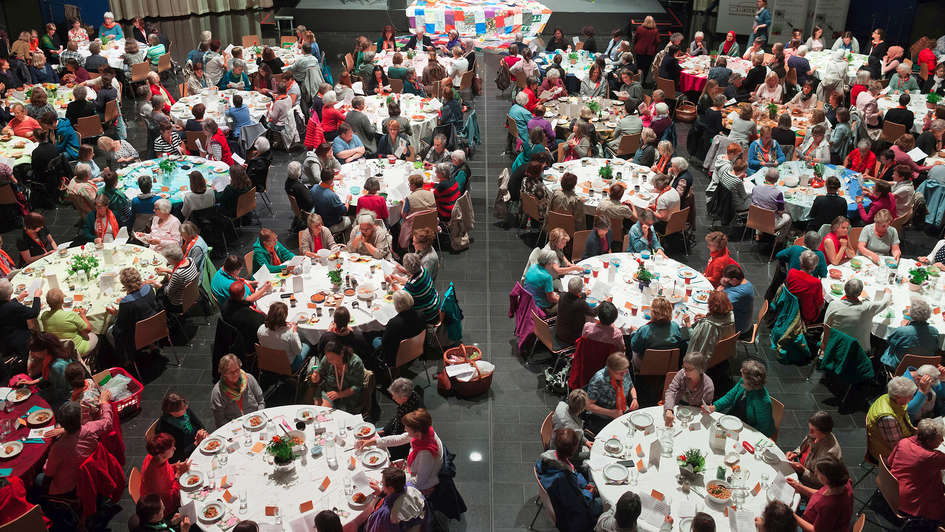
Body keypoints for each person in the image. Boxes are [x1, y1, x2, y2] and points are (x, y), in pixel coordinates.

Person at [357, 409, 443, 496]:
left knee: (383, 485)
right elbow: (399, 439)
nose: (405, 429)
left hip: (422, 485)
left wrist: (396, 481)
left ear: (417, 432)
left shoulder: (426, 454)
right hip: (413, 469)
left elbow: (420, 481)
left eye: (407, 428)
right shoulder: (424, 432)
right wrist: (373, 442)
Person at [43, 397, 113, 498]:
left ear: (61, 424)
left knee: (39, 479)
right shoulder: (91, 428)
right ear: (80, 418)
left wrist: (46, 461)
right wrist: (104, 403)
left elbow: (48, 471)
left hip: (71, 484)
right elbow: (107, 422)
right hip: (95, 471)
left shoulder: (58, 448)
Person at [886, 418, 945, 524]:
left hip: (891, 489)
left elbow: (889, 462)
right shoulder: (932, 457)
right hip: (908, 502)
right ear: (929, 441)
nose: (942, 441)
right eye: (940, 439)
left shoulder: (903, 442)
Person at [705, 359, 775, 436]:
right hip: (734, 420)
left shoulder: (762, 401)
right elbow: (729, 397)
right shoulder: (743, 382)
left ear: (750, 382)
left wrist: (744, 435)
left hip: (749, 429)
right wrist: (715, 407)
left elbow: (763, 428)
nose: (740, 370)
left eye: (743, 372)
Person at [825, 278, 892, 354]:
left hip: (835, 345)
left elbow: (826, 325)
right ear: (860, 293)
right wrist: (888, 293)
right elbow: (885, 303)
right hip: (858, 351)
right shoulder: (867, 307)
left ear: (844, 289)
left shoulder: (833, 304)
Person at [783, 411, 844, 489]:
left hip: (808, 482)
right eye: (810, 428)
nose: (809, 432)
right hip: (798, 466)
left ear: (824, 432)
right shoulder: (816, 434)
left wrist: (803, 470)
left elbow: (821, 482)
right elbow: (802, 447)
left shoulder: (830, 454)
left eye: (813, 430)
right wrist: (794, 453)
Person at [629, 296, 690, 366]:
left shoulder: (644, 330)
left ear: (652, 313)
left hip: (646, 366)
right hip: (668, 364)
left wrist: (634, 332)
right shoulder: (675, 326)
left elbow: (634, 347)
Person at [867, 376, 917, 461]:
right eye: (910, 396)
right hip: (887, 454)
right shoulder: (887, 418)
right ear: (898, 397)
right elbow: (897, 446)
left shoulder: (886, 397)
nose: (912, 398)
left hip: (896, 442)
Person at [585, 353, 638, 433]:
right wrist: (611, 413)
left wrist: (634, 398)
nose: (624, 375)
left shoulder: (623, 370)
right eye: (621, 373)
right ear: (611, 371)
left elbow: (631, 386)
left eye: (626, 371)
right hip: (604, 417)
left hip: (623, 410)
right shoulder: (598, 380)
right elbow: (588, 406)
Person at [881, 299, 940, 370]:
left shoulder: (901, 331)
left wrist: (902, 328)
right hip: (923, 369)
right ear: (928, 315)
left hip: (900, 367)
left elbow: (890, 342)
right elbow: (936, 348)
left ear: (911, 314)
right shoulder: (935, 331)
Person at [365, 467, 429, 532]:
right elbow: (397, 495)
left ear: (390, 488)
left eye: (383, 483)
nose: (381, 482)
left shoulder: (388, 513)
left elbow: (377, 528)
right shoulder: (411, 486)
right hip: (417, 521)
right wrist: (381, 493)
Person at [40, 288, 96, 358]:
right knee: (95, 335)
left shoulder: (44, 315)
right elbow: (88, 330)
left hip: (58, 350)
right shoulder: (70, 315)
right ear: (63, 301)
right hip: (76, 350)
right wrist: (83, 316)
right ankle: (94, 360)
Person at [211, 354, 264, 427]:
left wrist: (258, 417)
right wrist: (236, 427)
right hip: (236, 429)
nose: (235, 374)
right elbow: (220, 421)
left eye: (237, 370)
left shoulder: (249, 378)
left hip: (256, 422)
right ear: (224, 374)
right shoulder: (218, 392)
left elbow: (261, 401)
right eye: (231, 372)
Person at [663, 352, 715, 425]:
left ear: (700, 369)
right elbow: (671, 391)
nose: (685, 371)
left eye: (689, 369)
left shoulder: (708, 386)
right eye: (684, 368)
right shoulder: (682, 374)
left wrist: (707, 409)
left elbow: (707, 406)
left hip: (694, 415)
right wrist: (669, 410)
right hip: (677, 407)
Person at [257, 302, 308, 372]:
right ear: (285, 316)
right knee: (307, 344)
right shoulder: (290, 334)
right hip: (289, 366)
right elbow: (298, 352)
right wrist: (295, 332)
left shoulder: (261, 329)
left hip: (268, 362)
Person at [688, 291, 736, 357]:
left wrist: (688, 324)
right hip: (723, 352)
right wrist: (708, 316)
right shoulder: (731, 315)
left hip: (704, 358)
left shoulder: (707, 325)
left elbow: (694, 339)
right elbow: (719, 317)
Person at [311, 168, 352, 235]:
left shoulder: (314, 188)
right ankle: (346, 238)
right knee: (351, 219)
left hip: (319, 219)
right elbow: (344, 211)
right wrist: (348, 200)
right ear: (331, 180)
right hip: (330, 225)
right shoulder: (332, 196)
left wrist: (329, 188)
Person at [554, 278, 595, 345]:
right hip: (571, 337)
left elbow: (573, 297)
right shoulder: (581, 304)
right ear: (580, 290)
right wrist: (604, 303)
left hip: (559, 330)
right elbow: (593, 313)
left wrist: (584, 294)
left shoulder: (562, 295)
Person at [750, 167, 791, 233]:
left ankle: (758, 233)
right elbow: (780, 212)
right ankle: (780, 240)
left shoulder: (755, 188)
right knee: (788, 217)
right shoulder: (778, 194)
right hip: (769, 223)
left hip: (754, 219)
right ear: (777, 180)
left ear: (765, 177)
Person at [633, 17, 659, 83]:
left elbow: (635, 38)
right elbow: (657, 41)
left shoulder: (639, 28)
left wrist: (636, 45)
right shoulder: (655, 31)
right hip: (649, 52)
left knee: (639, 66)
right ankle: (643, 81)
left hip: (639, 50)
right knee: (646, 67)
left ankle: (638, 80)